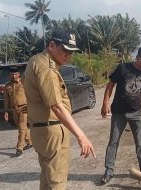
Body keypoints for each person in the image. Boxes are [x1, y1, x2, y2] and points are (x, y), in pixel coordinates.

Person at [24, 30, 96, 190]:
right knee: (57, 183)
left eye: (71, 52)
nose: (68, 55)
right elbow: (56, 106)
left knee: (47, 180)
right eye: (65, 50)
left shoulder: (35, 61)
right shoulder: (47, 68)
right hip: (52, 130)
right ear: (51, 45)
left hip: (41, 130)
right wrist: (81, 136)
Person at [100, 46, 141, 184]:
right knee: (113, 142)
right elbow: (110, 85)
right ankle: (109, 170)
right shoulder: (123, 68)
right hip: (118, 113)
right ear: (137, 57)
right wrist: (105, 103)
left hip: (136, 113)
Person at [4, 67, 32, 157]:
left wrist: (30, 106)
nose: (14, 76)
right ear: (9, 75)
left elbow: (30, 94)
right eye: (12, 74)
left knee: (21, 127)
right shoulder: (7, 86)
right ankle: (29, 141)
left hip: (24, 108)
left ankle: (19, 148)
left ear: (19, 74)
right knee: (21, 127)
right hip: (14, 109)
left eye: (15, 74)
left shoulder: (24, 83)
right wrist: (6, 111)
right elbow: (6, 99)